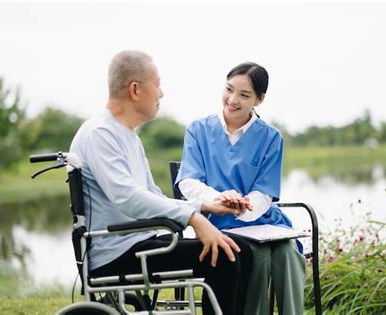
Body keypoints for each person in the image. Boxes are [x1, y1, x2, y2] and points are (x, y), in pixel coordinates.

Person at [69, 50, 252, 315]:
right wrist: (194, 219)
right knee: (226, 256)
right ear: (135, 89)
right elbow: (128, 198)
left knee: (240, 251)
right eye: (157, 84)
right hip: (116, 254)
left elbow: (153, 195)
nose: (161, 93)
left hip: (138, 242)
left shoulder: (128, 136)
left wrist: (206, 206)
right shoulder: (100, 134)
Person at [176, 62, 306, 315]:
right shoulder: (198, 130)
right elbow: (188, 182)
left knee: (287, 252)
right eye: (229, 89)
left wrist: (244, 207)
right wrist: (221, 199)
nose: (232, 100)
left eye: (244, 95)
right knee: (258, 257)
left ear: (259, 99)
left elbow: (264, 192)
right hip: (216, 222)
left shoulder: (270, 137)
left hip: (262, 220)